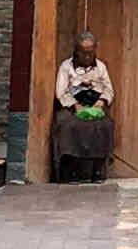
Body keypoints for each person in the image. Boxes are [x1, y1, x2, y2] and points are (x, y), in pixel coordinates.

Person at [48, 30, 113, 182]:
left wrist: (101, 102)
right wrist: (75, 106)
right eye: (84, 53)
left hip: (94, 101)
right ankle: (70, 170)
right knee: (68, 125)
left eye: (90, 53)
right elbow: (61, 91)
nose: (87, 56)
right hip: (73, 103)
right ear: (77, 52)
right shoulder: (66, 67)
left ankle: (97, 169)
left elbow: (109, 89)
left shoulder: (101, 67)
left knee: (104, 125)